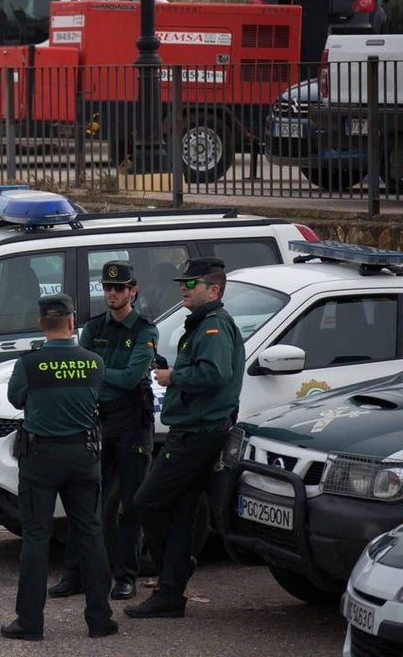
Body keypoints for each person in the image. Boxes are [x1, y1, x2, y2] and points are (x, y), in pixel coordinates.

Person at [126, 257, 243, 619]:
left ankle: (173, 574)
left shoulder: (214, 326)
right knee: (180, 512)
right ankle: (171, 593)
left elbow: (215, 374)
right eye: (182, 283)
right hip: (193, 430)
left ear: (214, 290)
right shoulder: (202, 324)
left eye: (192, 284)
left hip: (197, 434)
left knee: (147, 501)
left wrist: (173, 377)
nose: (184, 288)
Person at [1, 293, 118, 642]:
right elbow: (101, 397)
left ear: (41, 324)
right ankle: (100, 619)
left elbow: (16, 399)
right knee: (91, 534)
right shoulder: (94, 362)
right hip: (83, 456)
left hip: (40, 458)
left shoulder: (28, 364)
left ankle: (29, 622)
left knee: (36, 538)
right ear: (71, 322)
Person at [48, 260, 159, 602]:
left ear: (132, 291)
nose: (112, 293)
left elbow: (130, 378)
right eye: (107, 287)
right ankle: (76, 574)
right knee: (85, 500)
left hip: (132, 421)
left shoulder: (144, 330)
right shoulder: (95, 327)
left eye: (119, 288)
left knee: (130, 502)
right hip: (99, 419)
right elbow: (84, 372)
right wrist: (99, 371)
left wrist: (95, 368)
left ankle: (125, 576)